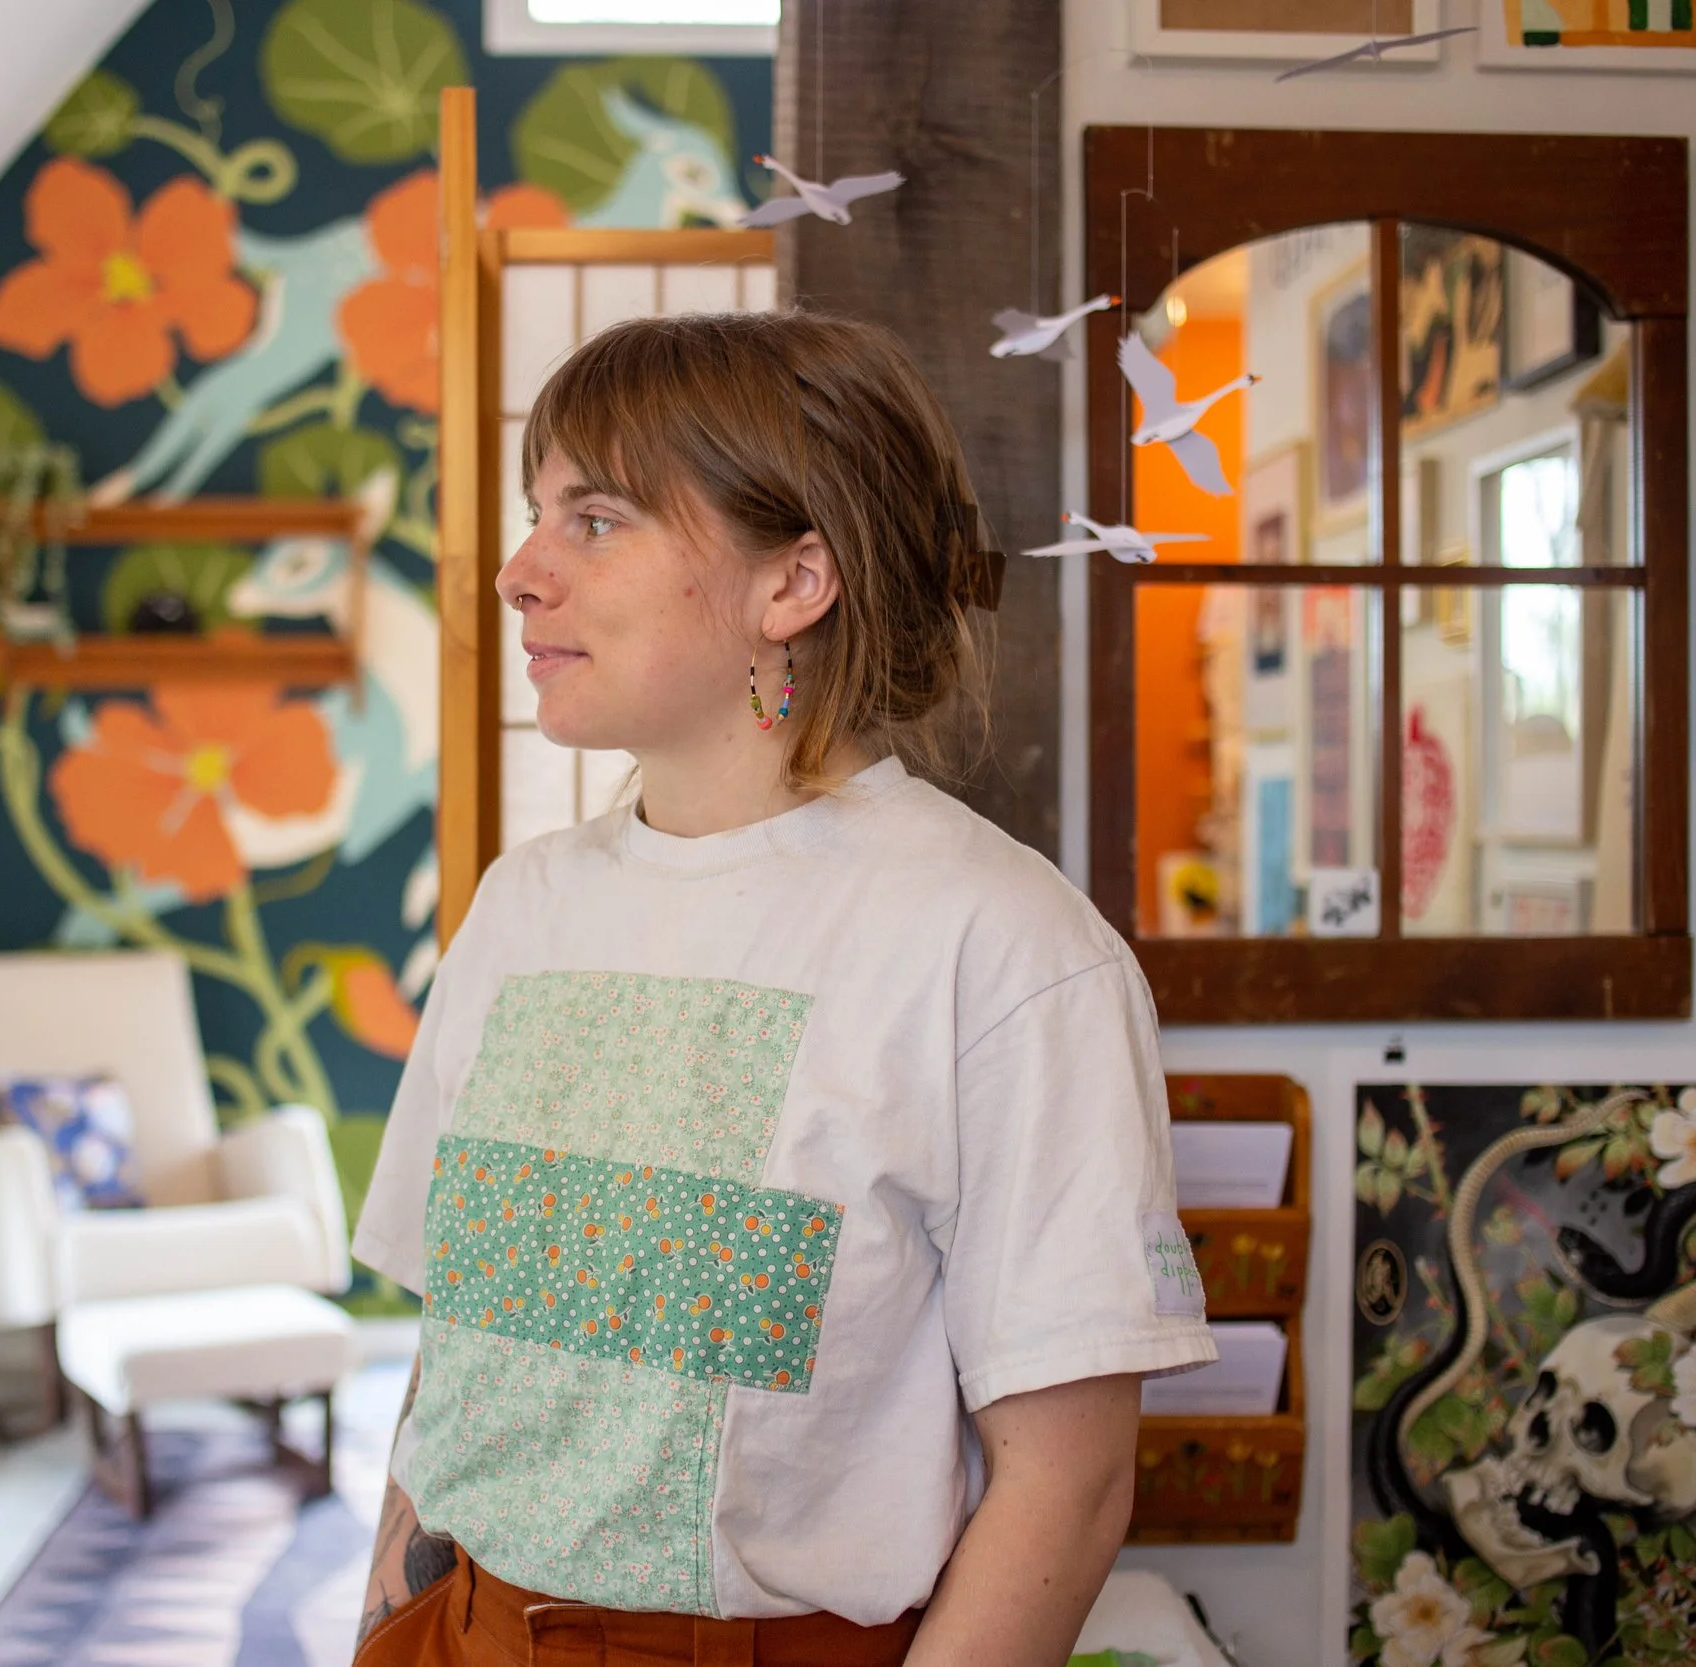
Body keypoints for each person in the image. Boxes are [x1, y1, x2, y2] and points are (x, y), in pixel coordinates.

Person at [348, 310, 1215, 1666]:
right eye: (536, 516)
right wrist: (383, 1627)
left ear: (794, 580)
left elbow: (1070, 1481)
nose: (519, 574)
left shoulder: (1003, 947)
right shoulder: (522, 908)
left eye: (596, 519)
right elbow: (448, 1365)